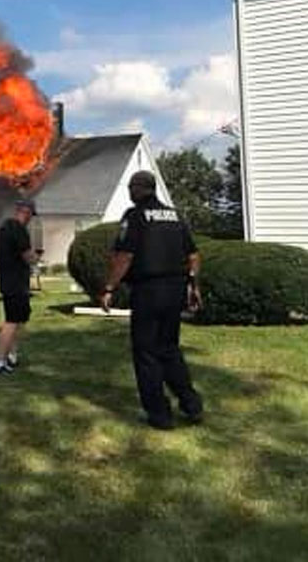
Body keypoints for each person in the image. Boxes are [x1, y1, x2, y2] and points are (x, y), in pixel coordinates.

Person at [100, 171, 204, 430]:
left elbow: (125, 257)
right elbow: (193, 256)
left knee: (146, 353)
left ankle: (159, 414)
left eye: (130, 188)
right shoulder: (175, 215)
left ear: (137, 189)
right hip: (175, 290)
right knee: (169, 349)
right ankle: (192, 405)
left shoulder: (134, 216)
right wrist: (193, 284)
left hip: (149, 291)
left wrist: (109, 287)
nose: (128, 192)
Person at [0, 198, 37, 374]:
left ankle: (11, 356)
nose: (31, 218)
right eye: (31, 214)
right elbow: (27, 256)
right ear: (25, 212)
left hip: (10, 282)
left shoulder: (5, 227)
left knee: (19, 320)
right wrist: (36, 258)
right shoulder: (18, 229)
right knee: (11, 322)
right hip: (16, 283)